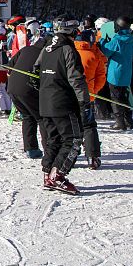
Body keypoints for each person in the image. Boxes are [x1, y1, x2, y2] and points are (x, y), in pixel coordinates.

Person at [36, 16, 91, 195]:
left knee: (54, 140)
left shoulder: (47, 48)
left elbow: (34, 73)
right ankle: (57, 175)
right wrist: (84, 101)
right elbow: (76, 78)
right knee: (73, 139)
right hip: (63, 102)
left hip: (45, 101)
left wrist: (45, 88)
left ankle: (47, 173)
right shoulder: (68, 49)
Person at [7, 29, 46, 157]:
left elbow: (9, 66)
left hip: (12, 87)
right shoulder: (45, 54)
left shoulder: (25, 50)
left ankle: (31, 149)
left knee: (28, 116)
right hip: (29, 88)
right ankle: (50, 149)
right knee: (42, 118)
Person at [74, 28, 108, 169]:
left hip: (69, 97)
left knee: (70, 127)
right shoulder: (95, 55)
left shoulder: (69, 52)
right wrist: (93, 92)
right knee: (89, 126)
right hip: (87, 97)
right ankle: (92, 157)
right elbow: (101, 77)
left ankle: (70, 157)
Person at [99, 17, 133, 130]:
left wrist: (102, 41)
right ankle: (129, 121)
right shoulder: (130, 39)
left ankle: (119, 122)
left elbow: (106, 51)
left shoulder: (117, 40)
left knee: (115, 98)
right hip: (127, 72)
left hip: (115, 73)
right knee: (124, 97)